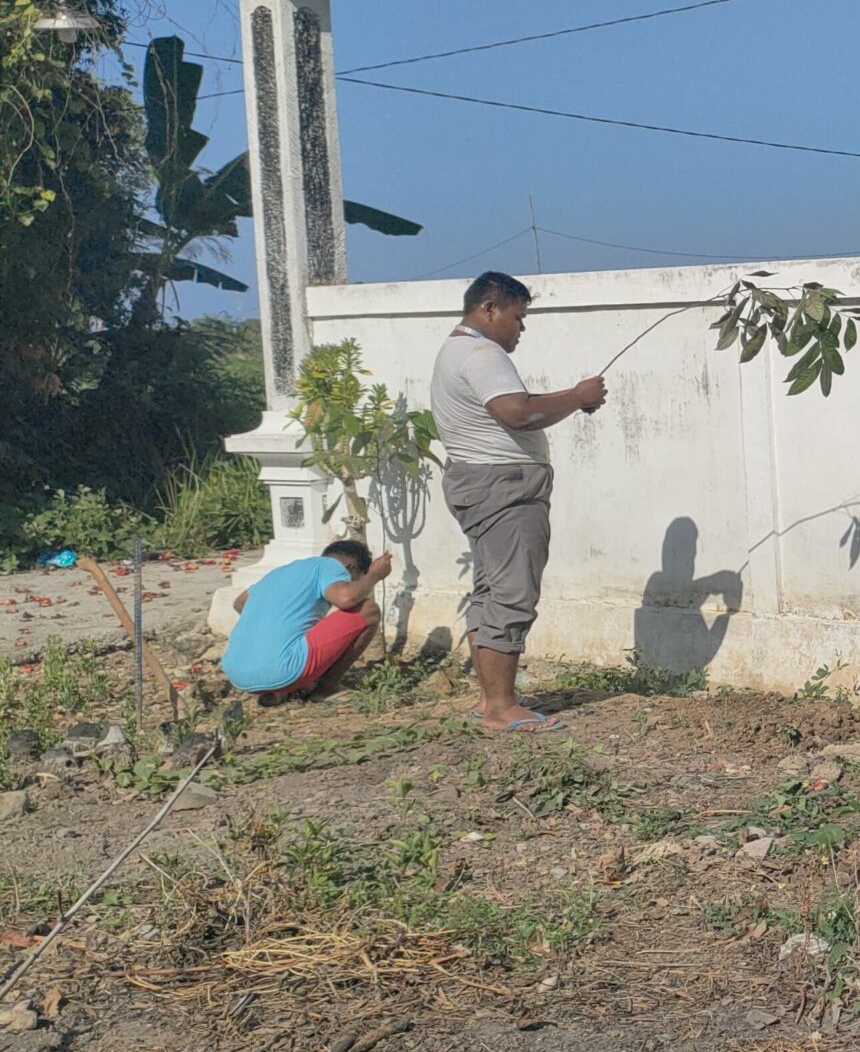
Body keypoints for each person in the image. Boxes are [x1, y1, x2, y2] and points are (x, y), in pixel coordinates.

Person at [429, 271, 607, 734]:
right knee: (512, 591)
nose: (520, 329)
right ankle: (502, 709)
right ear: (489, 309)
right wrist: (578, 395)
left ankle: (492, 699)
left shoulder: (454, 350)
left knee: (490, 590)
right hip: (504, 488)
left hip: (480, 483)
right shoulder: (482, 353)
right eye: (517, 316)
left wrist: (569, 402)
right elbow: (519, 413)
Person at [221, 539, 390, 704]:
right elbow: (346, 598)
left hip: (238, 676)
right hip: (284, 672)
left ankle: (276, 690)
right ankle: (326, 687)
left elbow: (240, 603)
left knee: (301, 633)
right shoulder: (331, 566)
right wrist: (373, 576)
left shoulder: (280, 572)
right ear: (350, 568)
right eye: (355, 580)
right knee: (368, 610)